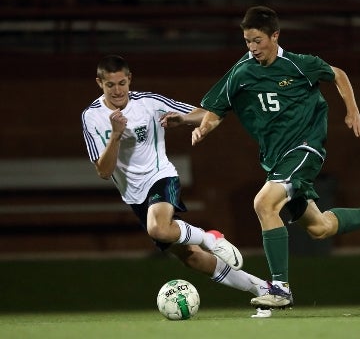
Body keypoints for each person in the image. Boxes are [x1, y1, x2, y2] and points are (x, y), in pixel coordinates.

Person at [176, 6, 360, 310]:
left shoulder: (298, 64)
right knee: (319, 228)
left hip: (305, 149)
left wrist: (352, 111)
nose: (253, 48)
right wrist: (198, 125)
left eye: (258, 40)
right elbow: (215, 110)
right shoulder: (241, 72)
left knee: (264, 203)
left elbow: (338, 75)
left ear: (275, 36)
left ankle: (280, 289)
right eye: (247, 42)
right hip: (276, 159)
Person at [81, 55, 272, 317]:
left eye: (122, 83)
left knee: (159, 228)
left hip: (161, 177)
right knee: (191, 257)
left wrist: (182, 121)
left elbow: (207, 114)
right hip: (133, 196)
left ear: (130, 80)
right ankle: (262, 288)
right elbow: (104, 171)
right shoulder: (92, 117)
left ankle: (209, 237)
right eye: (110, 85)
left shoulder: (148, 103)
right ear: (99, 83)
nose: (117, 91)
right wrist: (115, 135)